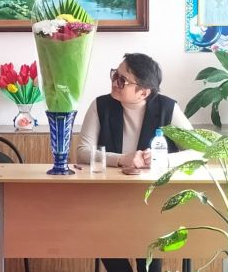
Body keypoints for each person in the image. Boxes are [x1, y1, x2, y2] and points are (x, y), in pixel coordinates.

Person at [76, 53, 193, 272]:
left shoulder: (167, 108)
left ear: (144, 92)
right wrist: (121, 159)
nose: (115, 82)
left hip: (152, 198)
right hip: (109, 197)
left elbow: (198, 152)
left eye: (123, 80)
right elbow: (83, 152)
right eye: (115, 75)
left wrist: (162, 159)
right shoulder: (101, 105)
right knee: (101, 234)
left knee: (149, 245)